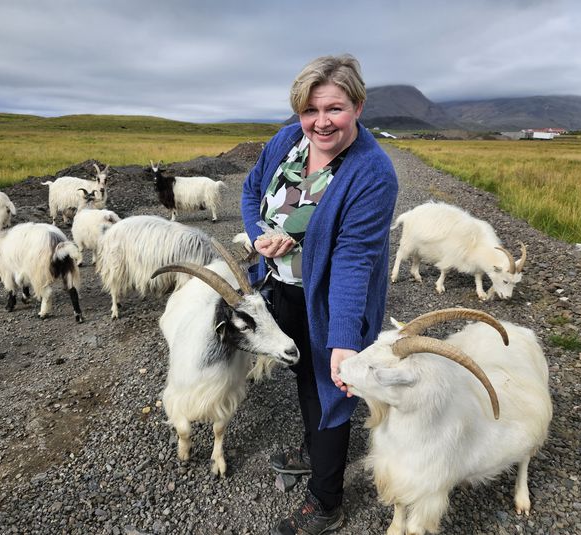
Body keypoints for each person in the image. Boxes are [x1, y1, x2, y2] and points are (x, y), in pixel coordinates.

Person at [241, 54, 398, 535]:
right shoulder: (289, 140)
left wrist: (344, 338)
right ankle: (313, 451)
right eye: (309, 110)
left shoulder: (372, 174)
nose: (320, 122)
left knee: (330, 389)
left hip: (330, 303)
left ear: (358, 105)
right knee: (302, 378)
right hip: (281, 289)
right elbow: (251, 193)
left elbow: (353, 260)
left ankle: (327, 502)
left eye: (333, 109)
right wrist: (259, 235)